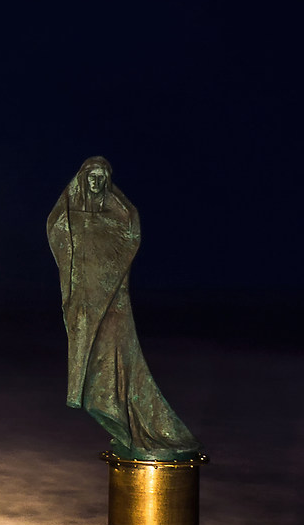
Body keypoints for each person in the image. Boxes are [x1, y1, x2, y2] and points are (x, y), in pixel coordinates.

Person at [46, 157, 200, 461]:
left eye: (101, 176)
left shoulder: (120, 217)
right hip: (84, 310)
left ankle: (138, 429)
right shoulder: (70, 217)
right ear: (82, 180)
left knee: (117, 369)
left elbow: (129, 234)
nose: (96, 182)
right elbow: (57, 233)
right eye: (91, 176)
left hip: (114, 308)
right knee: (91, 386)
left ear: (108, 180)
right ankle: (124, 428)